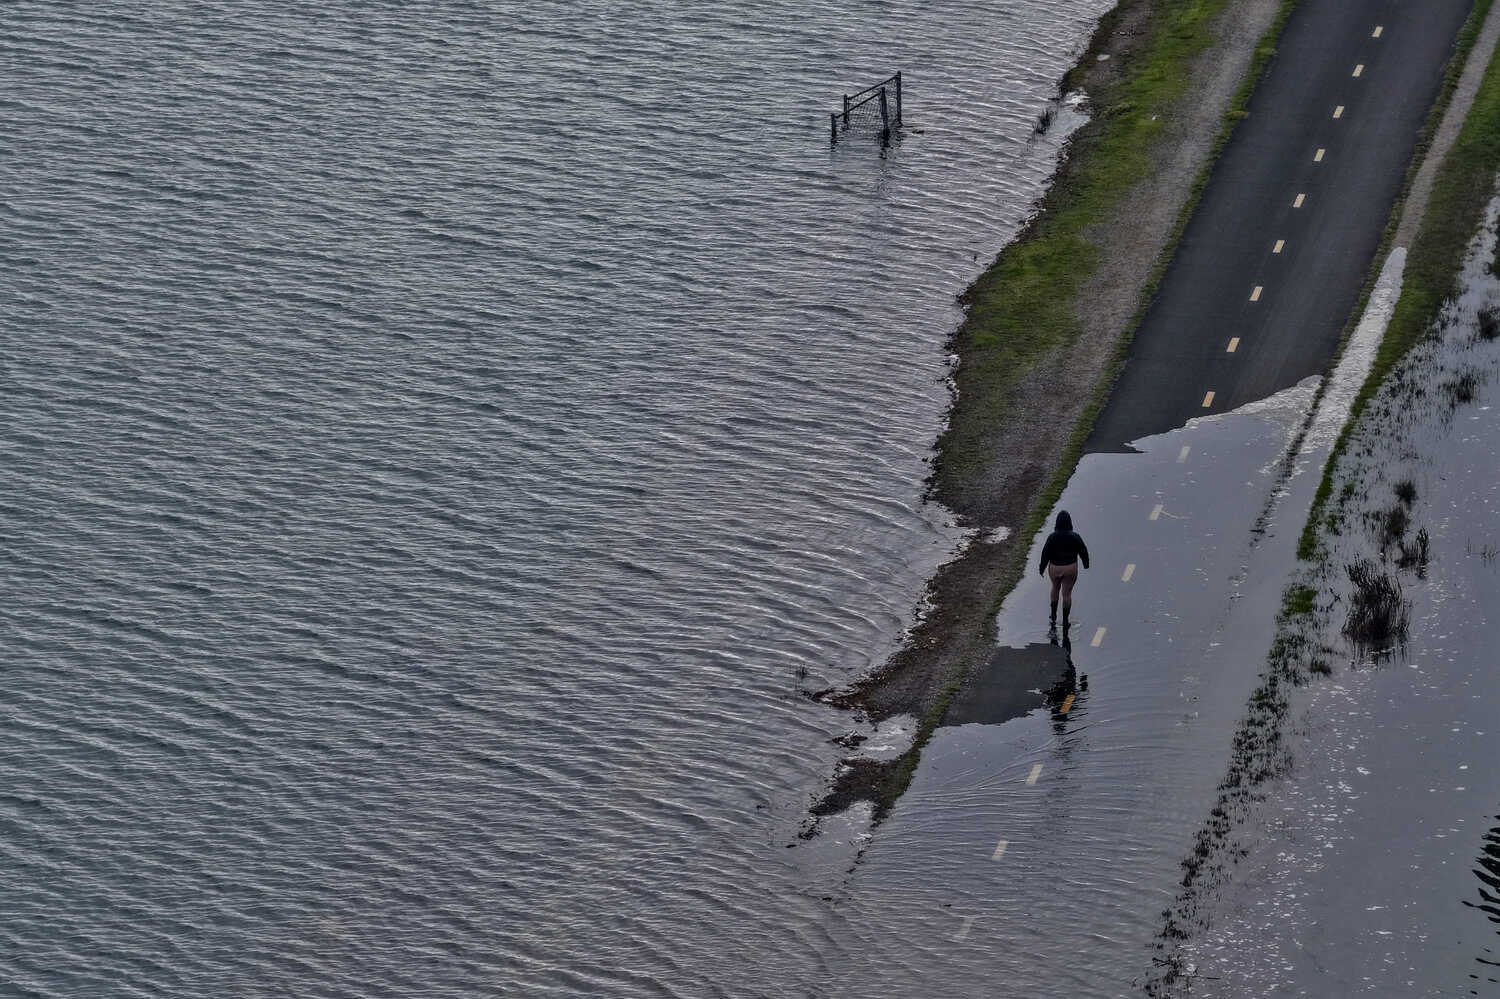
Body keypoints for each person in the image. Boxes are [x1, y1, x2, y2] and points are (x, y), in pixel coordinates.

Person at [1038, 510, 1089, 630]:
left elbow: (1045, 553)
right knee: (1067, 594)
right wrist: (1085, 564)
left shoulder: (1052, 537)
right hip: (1070, 567)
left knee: (1055, 588)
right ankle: (1065, 621)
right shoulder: (1075, 536)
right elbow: (1083, 550)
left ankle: (1054, 615)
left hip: (1054, 567)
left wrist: (1042, 568)